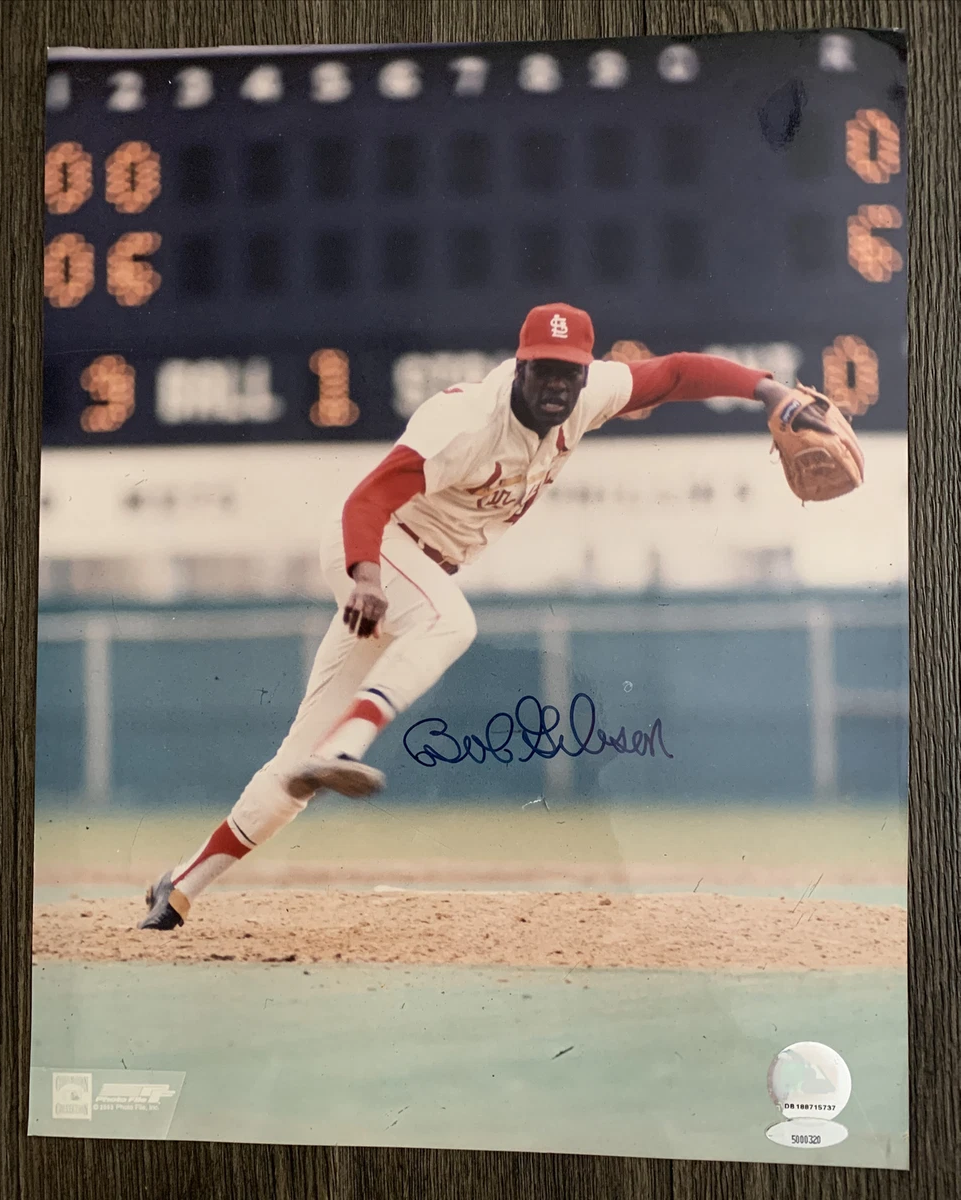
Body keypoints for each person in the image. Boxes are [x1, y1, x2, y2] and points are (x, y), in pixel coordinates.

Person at [139, 302, 830, 929]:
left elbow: (677, 373)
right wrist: (367, 578)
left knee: (294, 772)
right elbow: (365, 501)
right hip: (379, 552)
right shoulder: (465, 423)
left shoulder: (591, 395)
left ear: (584, 373)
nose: (558, 385)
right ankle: (344, 747)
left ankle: (178, 889)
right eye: (544, 371)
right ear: (519, 366)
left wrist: (769, 391)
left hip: (415, 576)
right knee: (451, 625)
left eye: (570, 372)